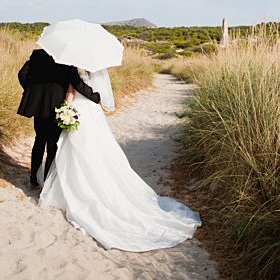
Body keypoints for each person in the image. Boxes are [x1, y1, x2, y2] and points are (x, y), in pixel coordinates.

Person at [38, 68, 202, 252]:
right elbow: (98, 97)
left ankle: (72, 190)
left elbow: (70, 92)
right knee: (95, 151)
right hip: (92, 112)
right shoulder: (97, 68)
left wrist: (66, 109)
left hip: (79, 109)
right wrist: (84, 101)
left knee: (76, 151)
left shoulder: (72, 69)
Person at [17, 48, 101, 187]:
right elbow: (76, 83)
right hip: (56, 107)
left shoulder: (37, 54)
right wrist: (95, 97)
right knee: (52, 144)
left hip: (38, 107)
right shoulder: (67, 59)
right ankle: (47, 181)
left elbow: (22, 74)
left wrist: (32, 91)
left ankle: (33, 178)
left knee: (39, 140)